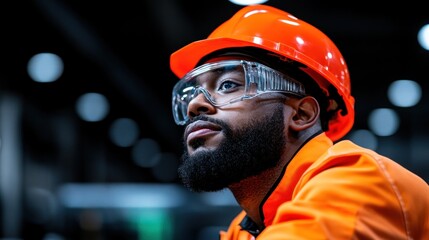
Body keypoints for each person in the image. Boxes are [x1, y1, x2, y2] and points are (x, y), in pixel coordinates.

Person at [169, 4, 429, 239]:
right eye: (191, 93)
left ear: (301, 114)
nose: (194, 105)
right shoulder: (247, 228)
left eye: (227, 85)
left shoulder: (358, 184)